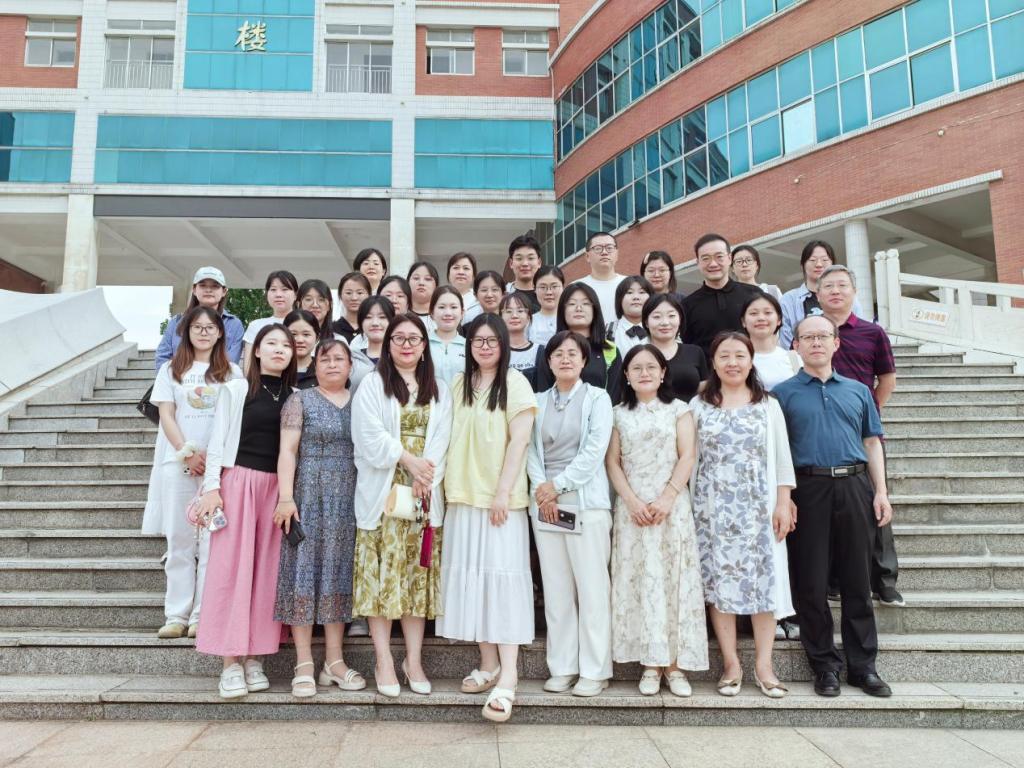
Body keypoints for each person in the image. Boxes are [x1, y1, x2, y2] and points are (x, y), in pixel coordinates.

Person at [774, 315, 893, 699]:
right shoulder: (782, 395)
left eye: (823, 336)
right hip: (808, 488)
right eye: (807, 337)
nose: (816, 343)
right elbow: (777, 452)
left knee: (857, 579)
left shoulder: (858, 390)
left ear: (836, 343)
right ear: (795, 345)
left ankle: (863, 667)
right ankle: (824, 665)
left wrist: (880, 491)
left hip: (855, 485)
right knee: (810, 581)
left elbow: (872, 442)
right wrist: (785, 497)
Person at [436, 314, 537, 723]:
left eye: (491, 340)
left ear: (504, 344)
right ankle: (488, 662)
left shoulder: (515, 383)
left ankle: (509, 674)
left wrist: (502, 491)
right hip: (462, 495)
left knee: (502, 582)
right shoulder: (458, 384)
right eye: (477, 340)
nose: (484, 347)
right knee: (475, 581)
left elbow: (520, 441)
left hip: (500, 501)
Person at [690, 332, 796, 698]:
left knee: (764, 582)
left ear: (751, 361)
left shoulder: (767, 404)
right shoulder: (699, 405)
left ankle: (765, 665)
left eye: (739, 355)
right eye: (724, 356)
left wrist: (783, 500)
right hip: (711, 509)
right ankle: (731, 663)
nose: (732, 362)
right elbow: (689, 456)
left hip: (758, 508)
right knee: (719, 584)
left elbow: (782, 456)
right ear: (714, 362)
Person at [352, 314, 453, 698]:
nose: (407, 345)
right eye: (399, 338)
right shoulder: (373, 384)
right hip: (384, 494)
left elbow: (443, 438)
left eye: (414, 338)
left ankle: (414, 660)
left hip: (424, 494)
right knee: (381, 579)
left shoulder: (439, 388)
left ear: (425, 345)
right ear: (388, 345)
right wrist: (408, 461)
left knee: (414, 578)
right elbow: (368, 435)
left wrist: (427, 476)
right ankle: (383, 660)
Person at [193, 324, 297, 699]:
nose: (279, 349)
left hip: (277, 490)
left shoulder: (296, 397)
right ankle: (229, 662)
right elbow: (217, 439)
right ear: (256, 350)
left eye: (286, 345)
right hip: (239, 484)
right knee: (231, 571)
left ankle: (255, 656)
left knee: (267, 573)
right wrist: (212, 488)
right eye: (272, 343)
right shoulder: (237, 389)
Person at [606, 344, 708, 697]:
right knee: (640, 581)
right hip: (632, 511)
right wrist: (632, 501)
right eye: (636, 368)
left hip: (672, 508)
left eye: (652, 367)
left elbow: (688, 455)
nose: (644, 373)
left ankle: (675, 666)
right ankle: (650, 664)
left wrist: (667, 497)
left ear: (664, 373)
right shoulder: (617, 414)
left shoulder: (679, 410)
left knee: (673, 581)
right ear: (627, 375)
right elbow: (612, 462)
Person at [143, 307, 242, 640]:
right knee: (179, 539)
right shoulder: (172, 369)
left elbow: (235, 422)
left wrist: (212, 461)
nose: (203, 332)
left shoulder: (232, 372)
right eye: (197, 327)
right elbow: (166, 415)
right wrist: (186, 452)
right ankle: (176, 614)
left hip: (217, 470)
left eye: (210, 327)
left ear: (220, 333)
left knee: (213, 541)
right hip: (179, 465)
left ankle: (203, 615)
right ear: (186, 332)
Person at [273, 339, 365, 698]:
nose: (332, 364)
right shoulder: (300, 400)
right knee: (304, 572)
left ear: (350, 366)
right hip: (308, 497)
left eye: (339, 359)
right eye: (325, 359)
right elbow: (287, 450)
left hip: (349, 499)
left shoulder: (361, 402)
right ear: (314, 364)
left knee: (338, 573)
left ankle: (334, 662)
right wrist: (286, 497)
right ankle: (303, 663)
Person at [526, 331, 614, 697]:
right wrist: (542, 489)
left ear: (584, 361)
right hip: (546, 505)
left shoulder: (598, 398)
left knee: (592, 588)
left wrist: (557, 485)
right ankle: (562, 666)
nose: (565, 359)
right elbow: (530, 451)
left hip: (585, 503)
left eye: (572, 354)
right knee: (557, 588)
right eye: (558, 354)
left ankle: (595, 670)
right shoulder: (537, 401)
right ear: (548, 362)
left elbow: (594, 451)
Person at [819, 264, 902, 607]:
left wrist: (867, 412)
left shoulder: (872, 332)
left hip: (863, 432)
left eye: (842, 285)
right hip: (822, 434)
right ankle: (835, 578)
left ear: (854, 292)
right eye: (828, 286)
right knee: (832, 507)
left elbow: (887, 379)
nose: (835, 291)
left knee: (876, 501)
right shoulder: (812, 332)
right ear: (818, 295)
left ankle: (884, 580)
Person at [534, 283, 622, 403]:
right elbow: (543, 396)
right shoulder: (551, 349)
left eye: (586, 303)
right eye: (572, 304)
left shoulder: (610, 350)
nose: (579, 308)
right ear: (562, 310)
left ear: (595, 310)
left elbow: (614, 397)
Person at [681, 234, 764, 362]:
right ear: (698, 263)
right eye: (706, 258)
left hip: (753, 368)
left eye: (719, 257)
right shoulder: (687, 305)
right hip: (708, 373)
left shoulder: (754, 294)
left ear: (729, 258)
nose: (713, 264)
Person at [779, 240, 868, 350]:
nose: (819, 264)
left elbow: (859, 332)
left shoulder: (848, 298)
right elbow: (787, 341)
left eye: (825, 260)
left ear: (832, 264)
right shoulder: (788, 300)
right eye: (812, 260)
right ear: (803, 264)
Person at [155, 267, 244, 369]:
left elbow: (230, 362)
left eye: (215, 286)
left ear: (224, 291)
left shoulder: (234, 324)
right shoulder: (177, 322)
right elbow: (162, 358)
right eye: (202, 285)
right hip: (178, 378)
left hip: (217, 378)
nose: (208, 290)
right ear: (194, 290)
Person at [643, 294, 707, 403]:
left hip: (691, 412)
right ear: (646, 322)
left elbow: (704, 387)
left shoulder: (695, 352)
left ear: (680, 319)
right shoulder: (638, 355)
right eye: (657, 317)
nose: (665, 322)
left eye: (671, 316)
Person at [242, 271, 298, 372]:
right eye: (273, 289)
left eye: (285, 289)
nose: (278, 294)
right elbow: (249, 367)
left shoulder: (304, 325)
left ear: (295, 295)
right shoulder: (256, 325)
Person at [742, 293, 800, 391]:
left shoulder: (795, 359)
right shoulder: (736, 360)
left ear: (779, 320)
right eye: (753, 313)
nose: (761, 318)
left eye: (768, 312)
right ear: (743, 321)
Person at [577, 232, 625, 322]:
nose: (604, 252)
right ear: (587, 256)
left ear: (617, 254)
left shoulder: (630, 284)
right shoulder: (577, 287)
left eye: (609, 248)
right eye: (598, 248)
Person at [428, 286, 466, 386]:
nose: (448, 313)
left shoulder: (470, 346)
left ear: (462, 313)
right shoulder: (422, 344)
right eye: (441, 307)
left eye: (453, 307)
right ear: (432, 312)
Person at [350, 295, 396, 373]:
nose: (375, 323)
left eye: (382, 317)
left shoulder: (401, 357)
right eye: (368, 317)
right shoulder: (351, 358)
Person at [501, 291, 537, 385]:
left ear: (528, 317)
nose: (514, 316)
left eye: (520, 311)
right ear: (501, 317)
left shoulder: (539, 351)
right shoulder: (495, 350)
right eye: (508, 311)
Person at [609, 276, 652, 355]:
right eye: (629, 292)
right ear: (619, 299)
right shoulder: (608, 331)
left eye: (642, 292)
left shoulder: (660, 328)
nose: (636, 297)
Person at [284, 310, 320, 390]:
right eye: (293, 334)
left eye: (306, 334)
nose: (300, 340)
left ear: (317, 338)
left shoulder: (324, 370)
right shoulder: (276, 370)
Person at [529, 265, 564, 346]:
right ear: (534, 289)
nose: (549, 292)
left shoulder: (570, 319)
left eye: (554, 286)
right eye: (543, 287)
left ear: (563, 287)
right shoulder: (528, 322)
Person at [505, 234, 542, 312]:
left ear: (539, 262)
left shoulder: (548, 296)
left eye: (530, 258)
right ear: (511, 263)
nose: (525, 263)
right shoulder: (503, 295)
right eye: (519, 258)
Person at [334, 272, 371, 343]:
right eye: (348, 293)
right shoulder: (332, 330)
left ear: (369, 295)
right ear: (340, 295)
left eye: (360, 293)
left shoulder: (374, 327)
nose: (354, 298)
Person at [407, 261, 440, 331]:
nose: (421, 283)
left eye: (427, 279)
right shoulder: (399, 314)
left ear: (436, 286)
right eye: (416, 278)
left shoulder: (444, 316)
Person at [447, 252, 479, 321]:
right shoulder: (439, 298)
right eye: (456, 268)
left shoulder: (480, 300)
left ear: (473, 275)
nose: (461, 272)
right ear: (448, 274)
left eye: (466, 268)